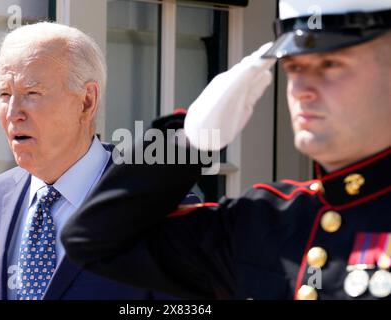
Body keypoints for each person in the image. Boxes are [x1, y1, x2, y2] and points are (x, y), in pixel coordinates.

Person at [62, 0, 391, 300]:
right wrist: (189, 140)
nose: (302, 90)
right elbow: (93, 242)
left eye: (330, 63)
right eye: (294, 68)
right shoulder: (268, 220)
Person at [0, 22, 196, 300]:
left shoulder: (160, 203)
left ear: (87, 101)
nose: (13, 113)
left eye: (32, 93)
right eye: (5, 94)